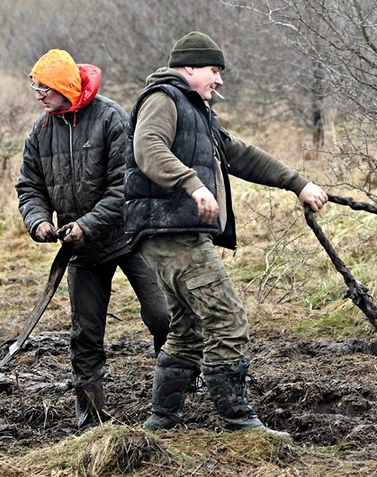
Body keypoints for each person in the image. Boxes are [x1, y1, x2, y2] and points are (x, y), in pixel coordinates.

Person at [124, 31, 329, 437]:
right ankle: (238, 422)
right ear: (190, 68)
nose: (219, 80)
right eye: (214, 71)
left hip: (173, 233)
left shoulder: (198, 113)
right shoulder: (163, 99)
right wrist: (193, 183)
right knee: (227, 319)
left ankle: (162, 422)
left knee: (187, 329)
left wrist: (298, 183)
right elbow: (147, 147)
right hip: (173, 232)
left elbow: (241, 154)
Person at [16, 49, 170, 430]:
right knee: (85, 335)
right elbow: (29, 187)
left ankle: (175, 389)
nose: (38, 95)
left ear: (64, 87)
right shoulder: (40, 131)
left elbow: (125, 186)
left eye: (44, 89)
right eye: (35, 88)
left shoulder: (110, 118)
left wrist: (88, 223)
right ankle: (91, 418)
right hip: (80, 249)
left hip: (131, 236)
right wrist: (38, 222)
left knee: (163, 315)